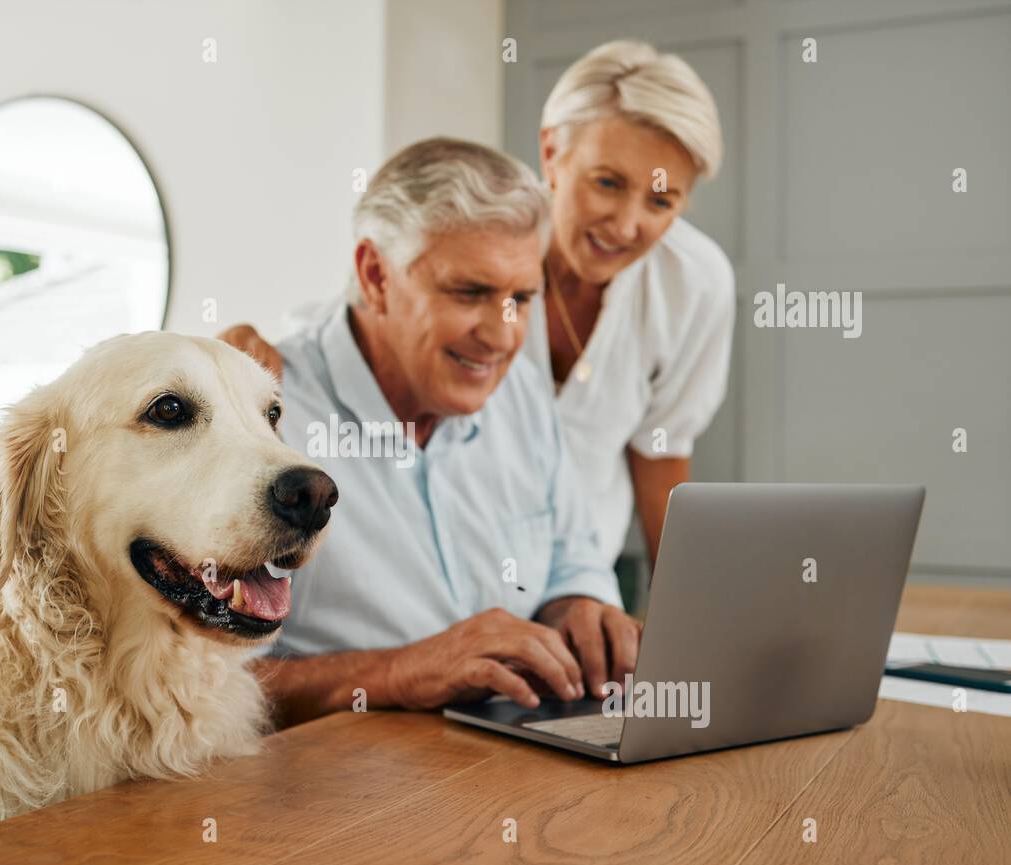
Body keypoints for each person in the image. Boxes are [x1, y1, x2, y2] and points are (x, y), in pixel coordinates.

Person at [223, 39, 735, 594]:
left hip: (570, 572)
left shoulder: (695, 284)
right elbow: (382, 309)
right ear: (552, 153)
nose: (627, 224)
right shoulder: (492, 233)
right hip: (458, 561)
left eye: (661, 202)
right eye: (607, 183)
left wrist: (682, 621)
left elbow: (659, 455)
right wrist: (242, 363)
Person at [237, 138, 641, 730]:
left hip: (522, 761)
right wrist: (400, 672)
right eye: (470, 292)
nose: (504, 337)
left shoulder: (521, 392)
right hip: (340, 794)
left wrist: (578, 605)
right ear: (375, 275)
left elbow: (570, 560)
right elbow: (207, 687)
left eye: (521, 298)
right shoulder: (262, 413)